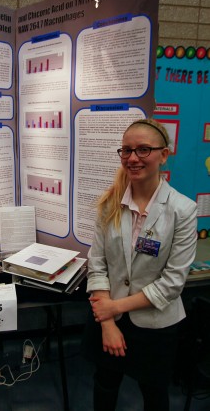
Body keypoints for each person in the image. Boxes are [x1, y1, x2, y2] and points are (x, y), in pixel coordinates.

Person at [84, 118, 197, 411]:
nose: (133, 158)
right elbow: (96, 264)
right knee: (105, 385)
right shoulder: (109, 205)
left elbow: (172, 284)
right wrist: (108, 323)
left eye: (143, 150)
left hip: (155, 324)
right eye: (127, 150)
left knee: (154, 394)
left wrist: (115, 308)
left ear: (164, 154)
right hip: (109, 320)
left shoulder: (182, 211)